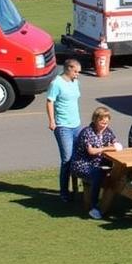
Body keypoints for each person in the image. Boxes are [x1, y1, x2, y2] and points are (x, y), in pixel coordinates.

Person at [70, 107, 121, 219]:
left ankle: (109, 202)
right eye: (102, 122)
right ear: (95, 120)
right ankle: (94, 206)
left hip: (100, 164)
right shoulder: (87, 132)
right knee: (98, 175)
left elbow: (116, 144)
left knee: (116, 175)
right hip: (82, 164)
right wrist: (107, 148)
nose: (104, 125)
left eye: (106, 123)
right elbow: (91, 151)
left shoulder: (108, 131)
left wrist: (112, 146)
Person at [45, 59, 83, 202]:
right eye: (75, 71)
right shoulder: (56, 83)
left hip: (76, 125)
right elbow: (50, 101)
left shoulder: (75, 82)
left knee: (76, 157)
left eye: (78, 72)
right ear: (68, 69)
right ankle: (64, 192)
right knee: (67, 159)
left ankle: (76, 188)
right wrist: (52, 121)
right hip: (63, 127)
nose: (77, 74)